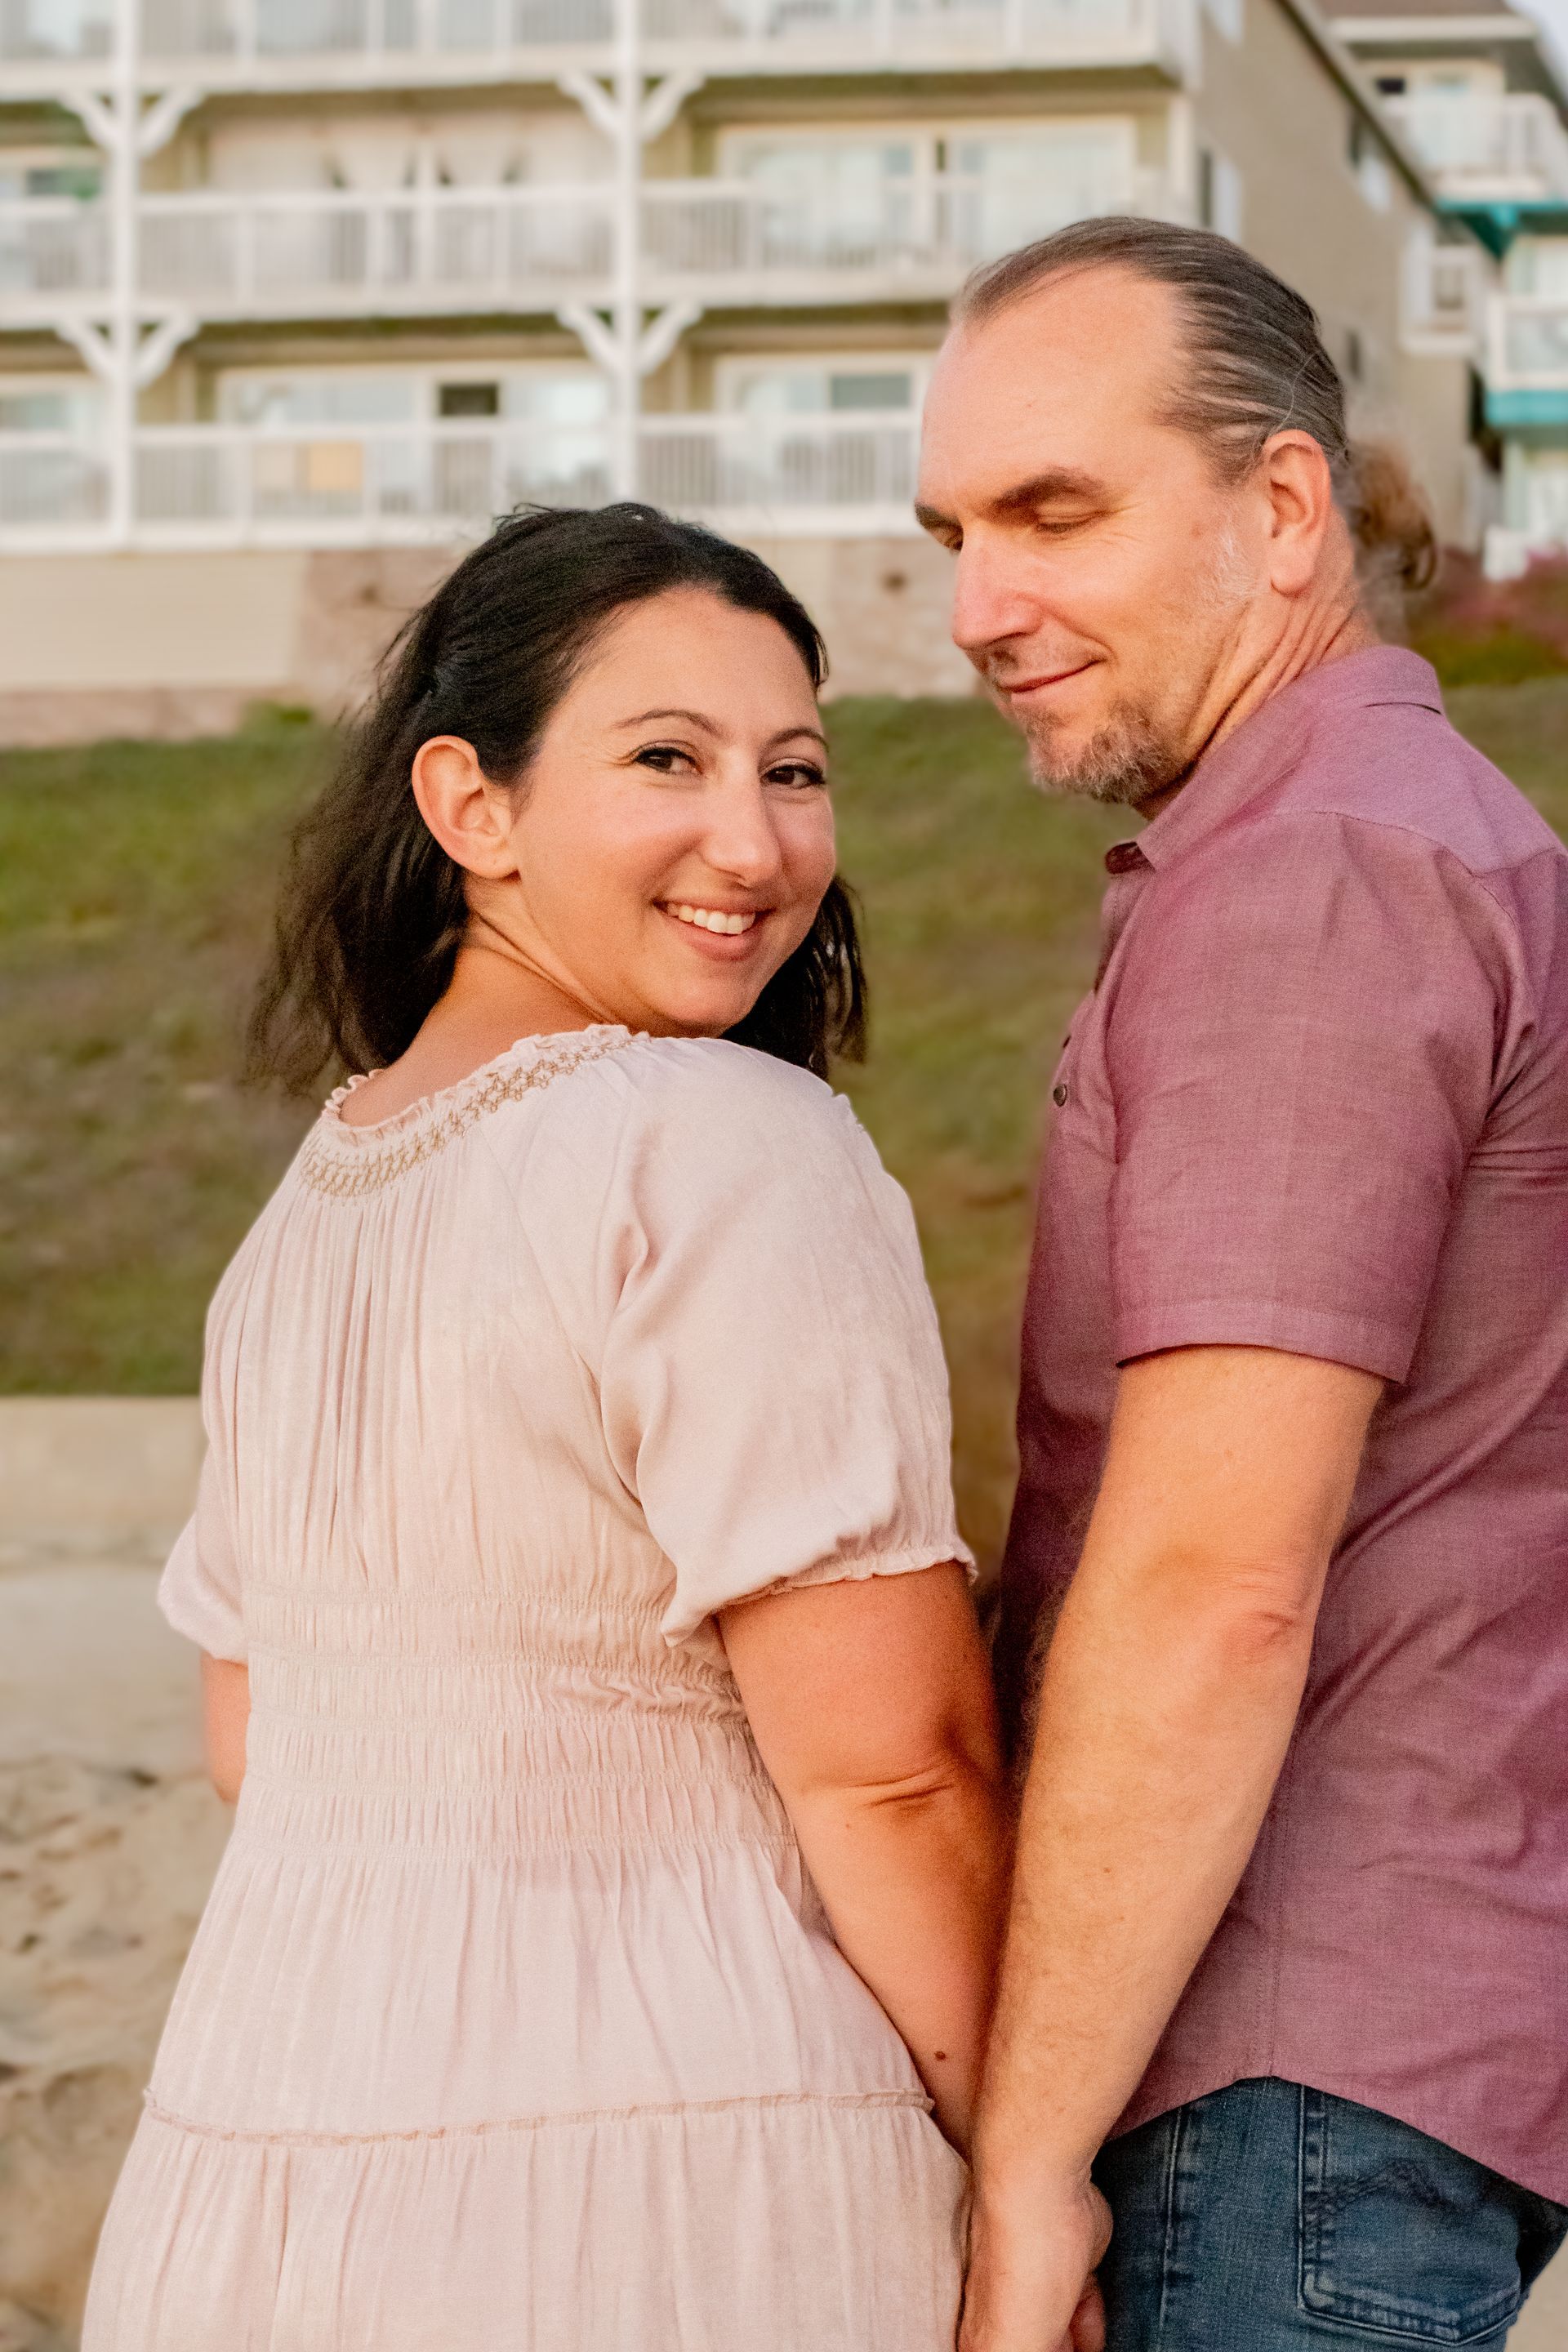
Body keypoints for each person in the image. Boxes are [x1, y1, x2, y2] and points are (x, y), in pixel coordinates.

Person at [83, 505, 1009, 2350]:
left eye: (796, 769)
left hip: (255, 2186)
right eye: (666, 758)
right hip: (679, 2190)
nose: (751, 842)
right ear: (472, 806)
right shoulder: (722, 1141)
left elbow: (252, 1732)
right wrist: (1036, 2154)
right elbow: (894, 1770)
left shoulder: (302, 1225)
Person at [915, 217, 1568, 2352]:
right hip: (1366, 2071)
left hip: (1278, 2079)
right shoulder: (1422, 831)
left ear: (1281, 510)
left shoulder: (1318, 880)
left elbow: (1217, 1584)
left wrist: (1024, 2166)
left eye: (1054, 515)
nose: (977, 608)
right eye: (952, 533)